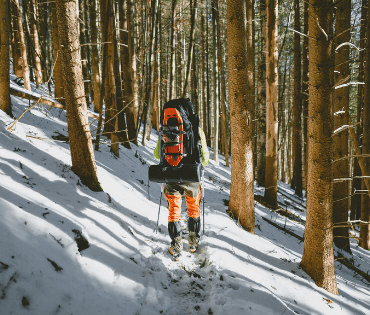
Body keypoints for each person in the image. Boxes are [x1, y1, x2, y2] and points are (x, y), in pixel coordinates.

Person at [153, 125, 209, 260]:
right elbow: (205, 159)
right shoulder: (197, 129)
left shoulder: (166, 129)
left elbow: (157, 154)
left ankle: (176, 247)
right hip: (192, 176)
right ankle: (193, 243)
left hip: (172, 175)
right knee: (194, 209)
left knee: (174, 211)